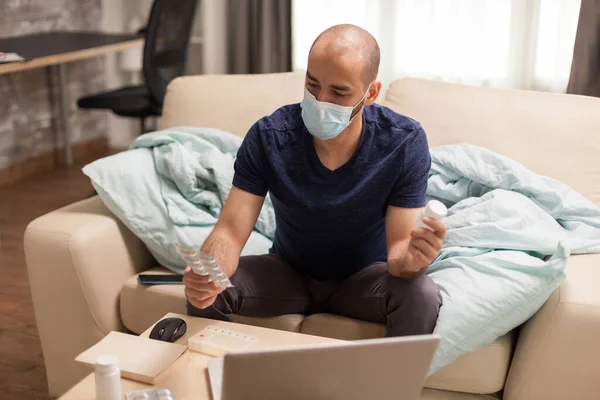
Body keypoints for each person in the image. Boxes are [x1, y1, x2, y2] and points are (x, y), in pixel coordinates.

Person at [183, 24, 446, 336]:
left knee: (422, 295)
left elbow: (400, 252)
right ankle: (212, 381)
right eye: (312, 84)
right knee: (211, 292)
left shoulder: (403, 142)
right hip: (289, 273)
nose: (321, 100)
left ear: (371, 93)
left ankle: (392, 386)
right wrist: (208, 271)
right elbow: (229, 229)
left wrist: (415, 260)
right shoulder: (270, 136)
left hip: (364, 279)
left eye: (339, 92)